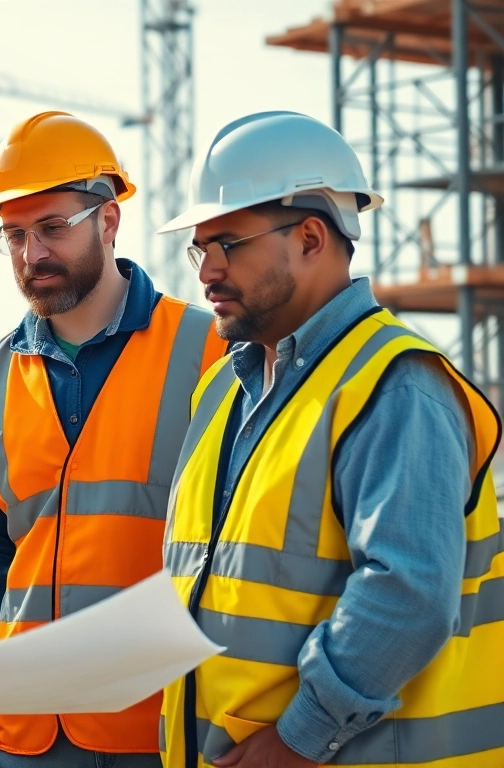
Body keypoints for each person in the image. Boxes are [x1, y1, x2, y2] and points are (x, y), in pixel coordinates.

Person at [158, 110, 504, 768]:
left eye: (227, 243)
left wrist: (297, 739)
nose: (206, 271)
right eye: (199, 249)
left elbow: (406, 595)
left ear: (312, 237)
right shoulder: (221, 395)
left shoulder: (396, 387)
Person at [0, 110, 228, 768]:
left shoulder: (212, 352)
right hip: (23, 731)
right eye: (13, 235)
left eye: (51, 228)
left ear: (108, 220)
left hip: (161, 723)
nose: (31, 255)